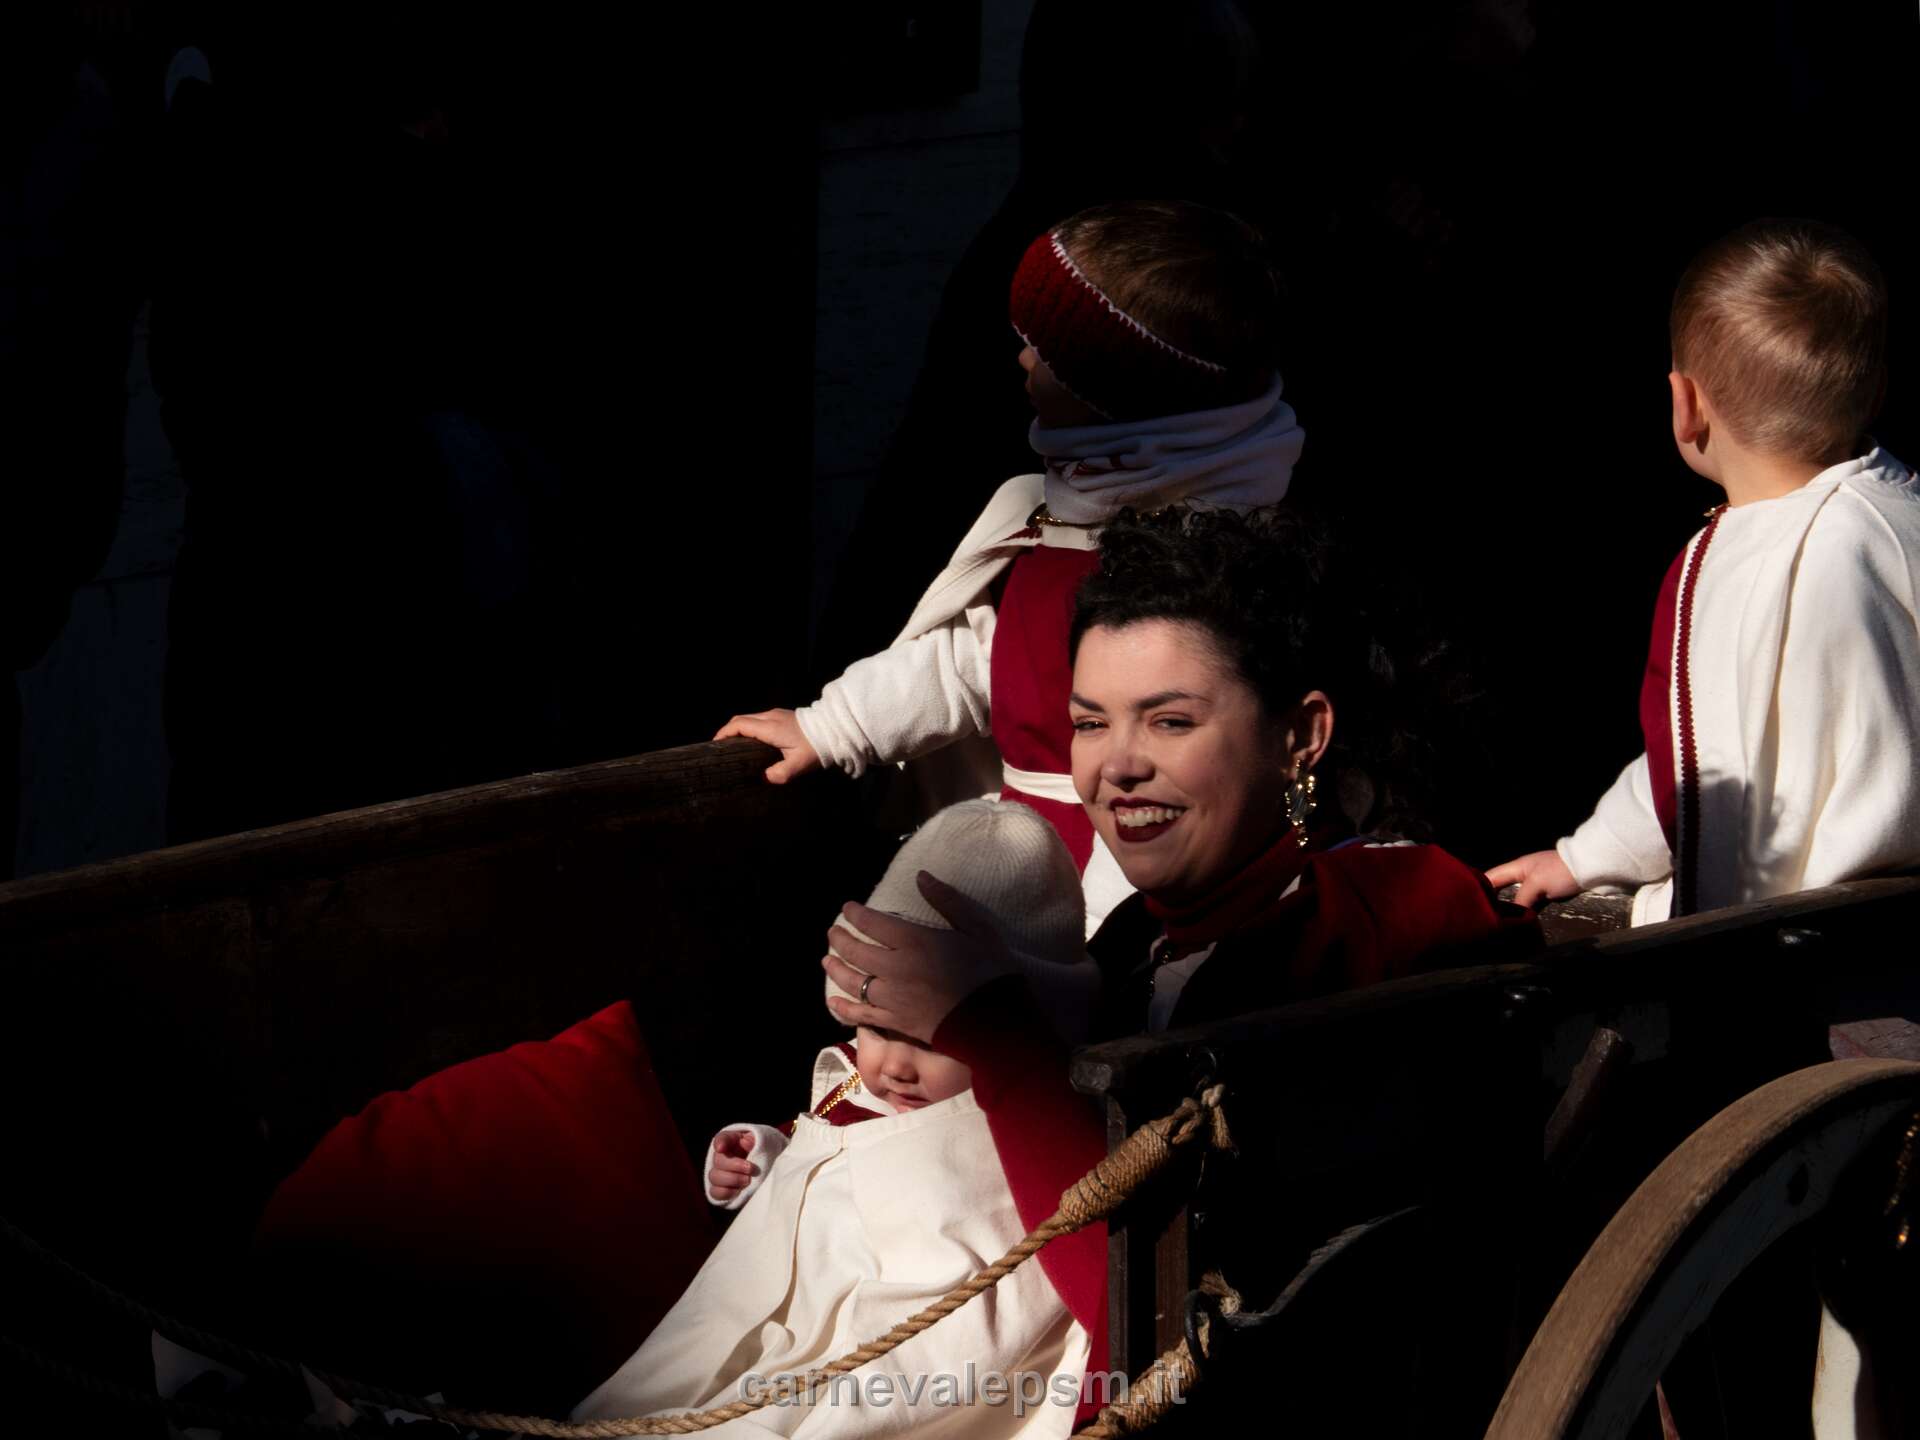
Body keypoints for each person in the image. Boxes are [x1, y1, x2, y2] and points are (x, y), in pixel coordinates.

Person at [719, 200, 1306, 934]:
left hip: (1137, 853)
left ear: (1112, 393)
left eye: (1048, 353)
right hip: (1016, 838)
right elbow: (981, 656)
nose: (1023, 361)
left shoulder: (1209, 564)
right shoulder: (1057, 510)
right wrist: (833, 725)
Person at [574, 799, 1108, 1436]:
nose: (895, 1067)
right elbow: (839, 1154)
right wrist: (770, 1158)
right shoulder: (861, 1080)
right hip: (779, 1327)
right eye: (877, 1030)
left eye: (932, 1041)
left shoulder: (1014, 1143)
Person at [1488, 219, 1920, 924]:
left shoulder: (1740, 571)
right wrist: (1587, 854)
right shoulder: (1902, 513)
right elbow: (1700, 746)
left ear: (1684, 405)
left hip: (1806, 954)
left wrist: (1631, 893)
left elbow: (1699, 775)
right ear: (1873, 391)